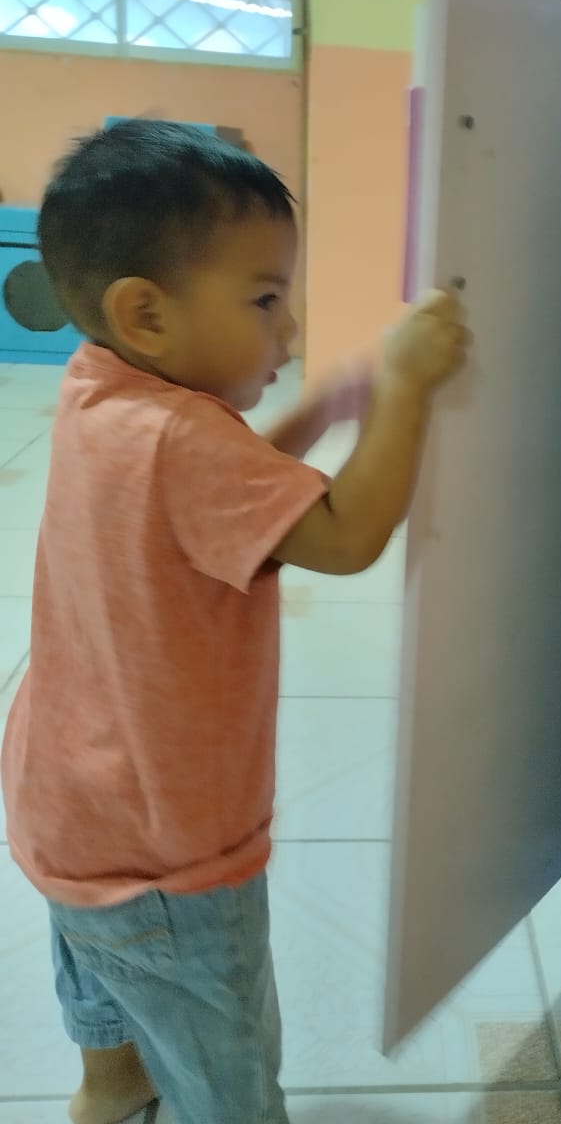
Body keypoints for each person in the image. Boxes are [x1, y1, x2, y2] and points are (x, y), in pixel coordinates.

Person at [0, 119, 468, 1124]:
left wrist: (322, 411)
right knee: (225, 1064)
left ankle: (111, 1090)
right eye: (264, 301)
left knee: (102, 967)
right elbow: (343, 534)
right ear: (145, 313)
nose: (287, 330)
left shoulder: (101, 387)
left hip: (68, 800)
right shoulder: (184, 441)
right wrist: (404, 391)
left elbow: (227, 497)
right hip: (164, 845)